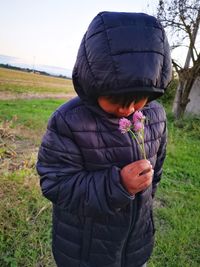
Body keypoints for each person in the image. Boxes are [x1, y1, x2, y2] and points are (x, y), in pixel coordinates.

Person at [36, 11, 171, 267]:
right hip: (83, 250)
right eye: (117, 99)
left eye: (138, 98)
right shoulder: (69, 121)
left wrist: (146, 201)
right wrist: (118, 185)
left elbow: (158, 169)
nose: (127, 109)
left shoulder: (156, 115)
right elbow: (55, 182)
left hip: (135, 245)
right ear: (93, 83)